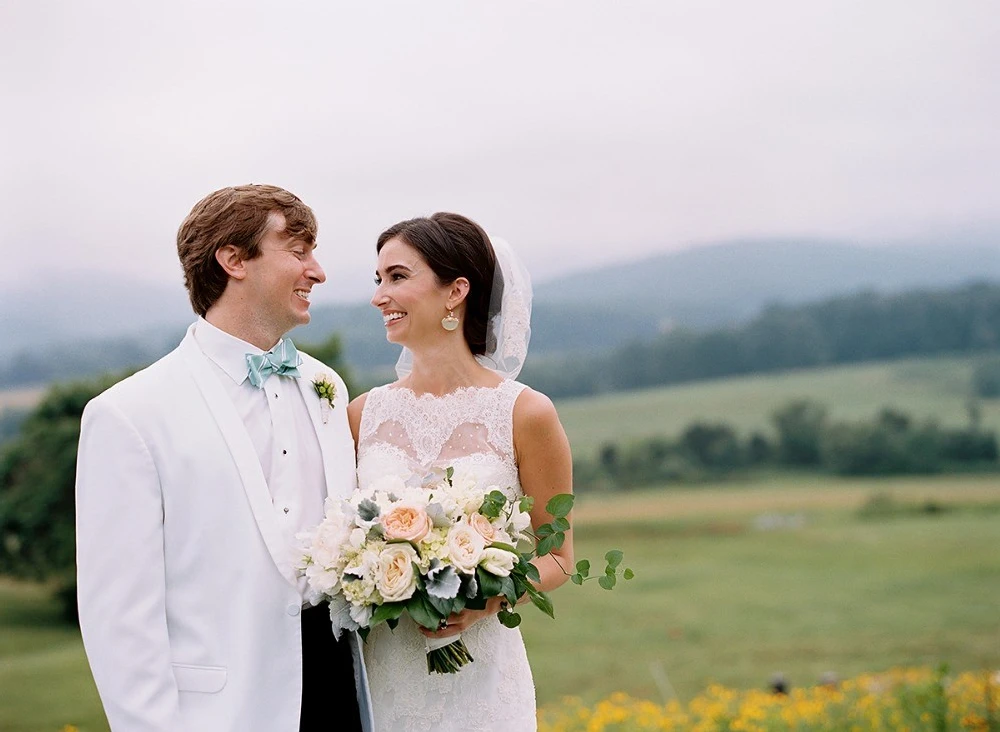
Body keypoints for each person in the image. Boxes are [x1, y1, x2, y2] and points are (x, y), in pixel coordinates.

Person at [75, 184, 373, 731]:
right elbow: (119, 617)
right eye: (298, 250)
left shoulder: (325, 386)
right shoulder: (128, 415)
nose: (318, 271)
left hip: (342, 693)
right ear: (233, 260)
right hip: (223, 711)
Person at [347, 213, 574, 731]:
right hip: (384, 672)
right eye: (378, 280)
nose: (380, 295)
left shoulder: (526, 413)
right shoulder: (361, 414)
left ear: (456, 291)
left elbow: (559, 555)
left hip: (481, 680)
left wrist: (486, 599)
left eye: (398, 277)